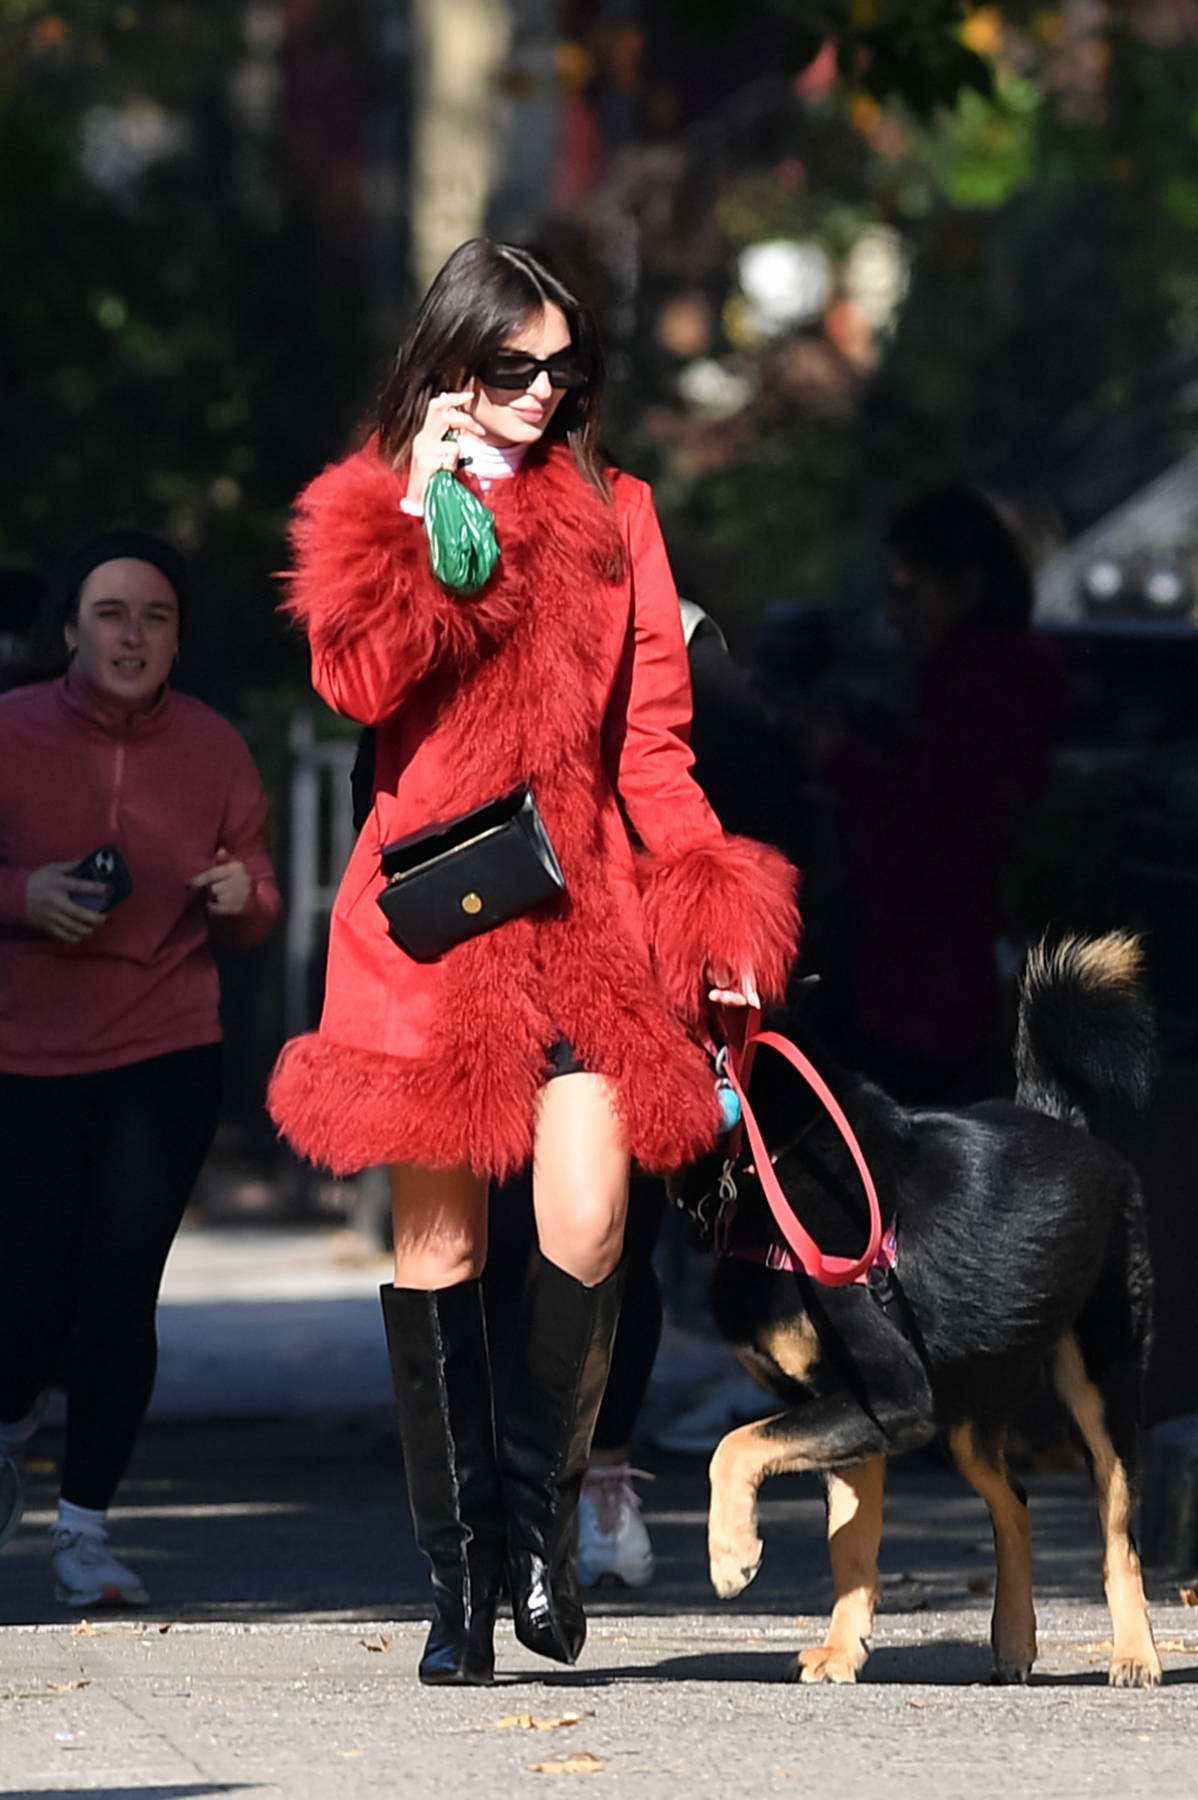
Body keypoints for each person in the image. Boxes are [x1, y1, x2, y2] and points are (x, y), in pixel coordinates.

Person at [267, 238, 800, 1685]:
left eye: (566, 368)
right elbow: (356, 685)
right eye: (514, 367)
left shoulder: (621, 513)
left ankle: (548, 1526)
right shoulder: (367, 504)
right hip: (431, 929)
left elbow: (656, 745)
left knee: (591, 1228)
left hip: (587, 926)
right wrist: (430, 512)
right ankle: (460, 1586)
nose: (544, 392)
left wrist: (713, 909)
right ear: (450, 365)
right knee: (438, 1250)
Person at [0, 530, 281, 1606]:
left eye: (154, 617)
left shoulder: (213, 747)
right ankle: (15, 1409)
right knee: (22, 1299)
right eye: (111, 613)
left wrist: (238, 897)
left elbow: (259, 895)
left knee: (120, 1293)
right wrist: (20, 893)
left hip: (163, 1049)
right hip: (24, 1052)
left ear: (176, 639)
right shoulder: (12, 730)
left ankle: (85, 1536)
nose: (132, 634)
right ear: (71, 629)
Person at [801, 484, 1060, 1102]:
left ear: (964, 589)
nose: (894, 612)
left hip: (928, 999)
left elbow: (925, 845)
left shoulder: (981, 695)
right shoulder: (977, 686)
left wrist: (839, 757)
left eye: (908, 590)